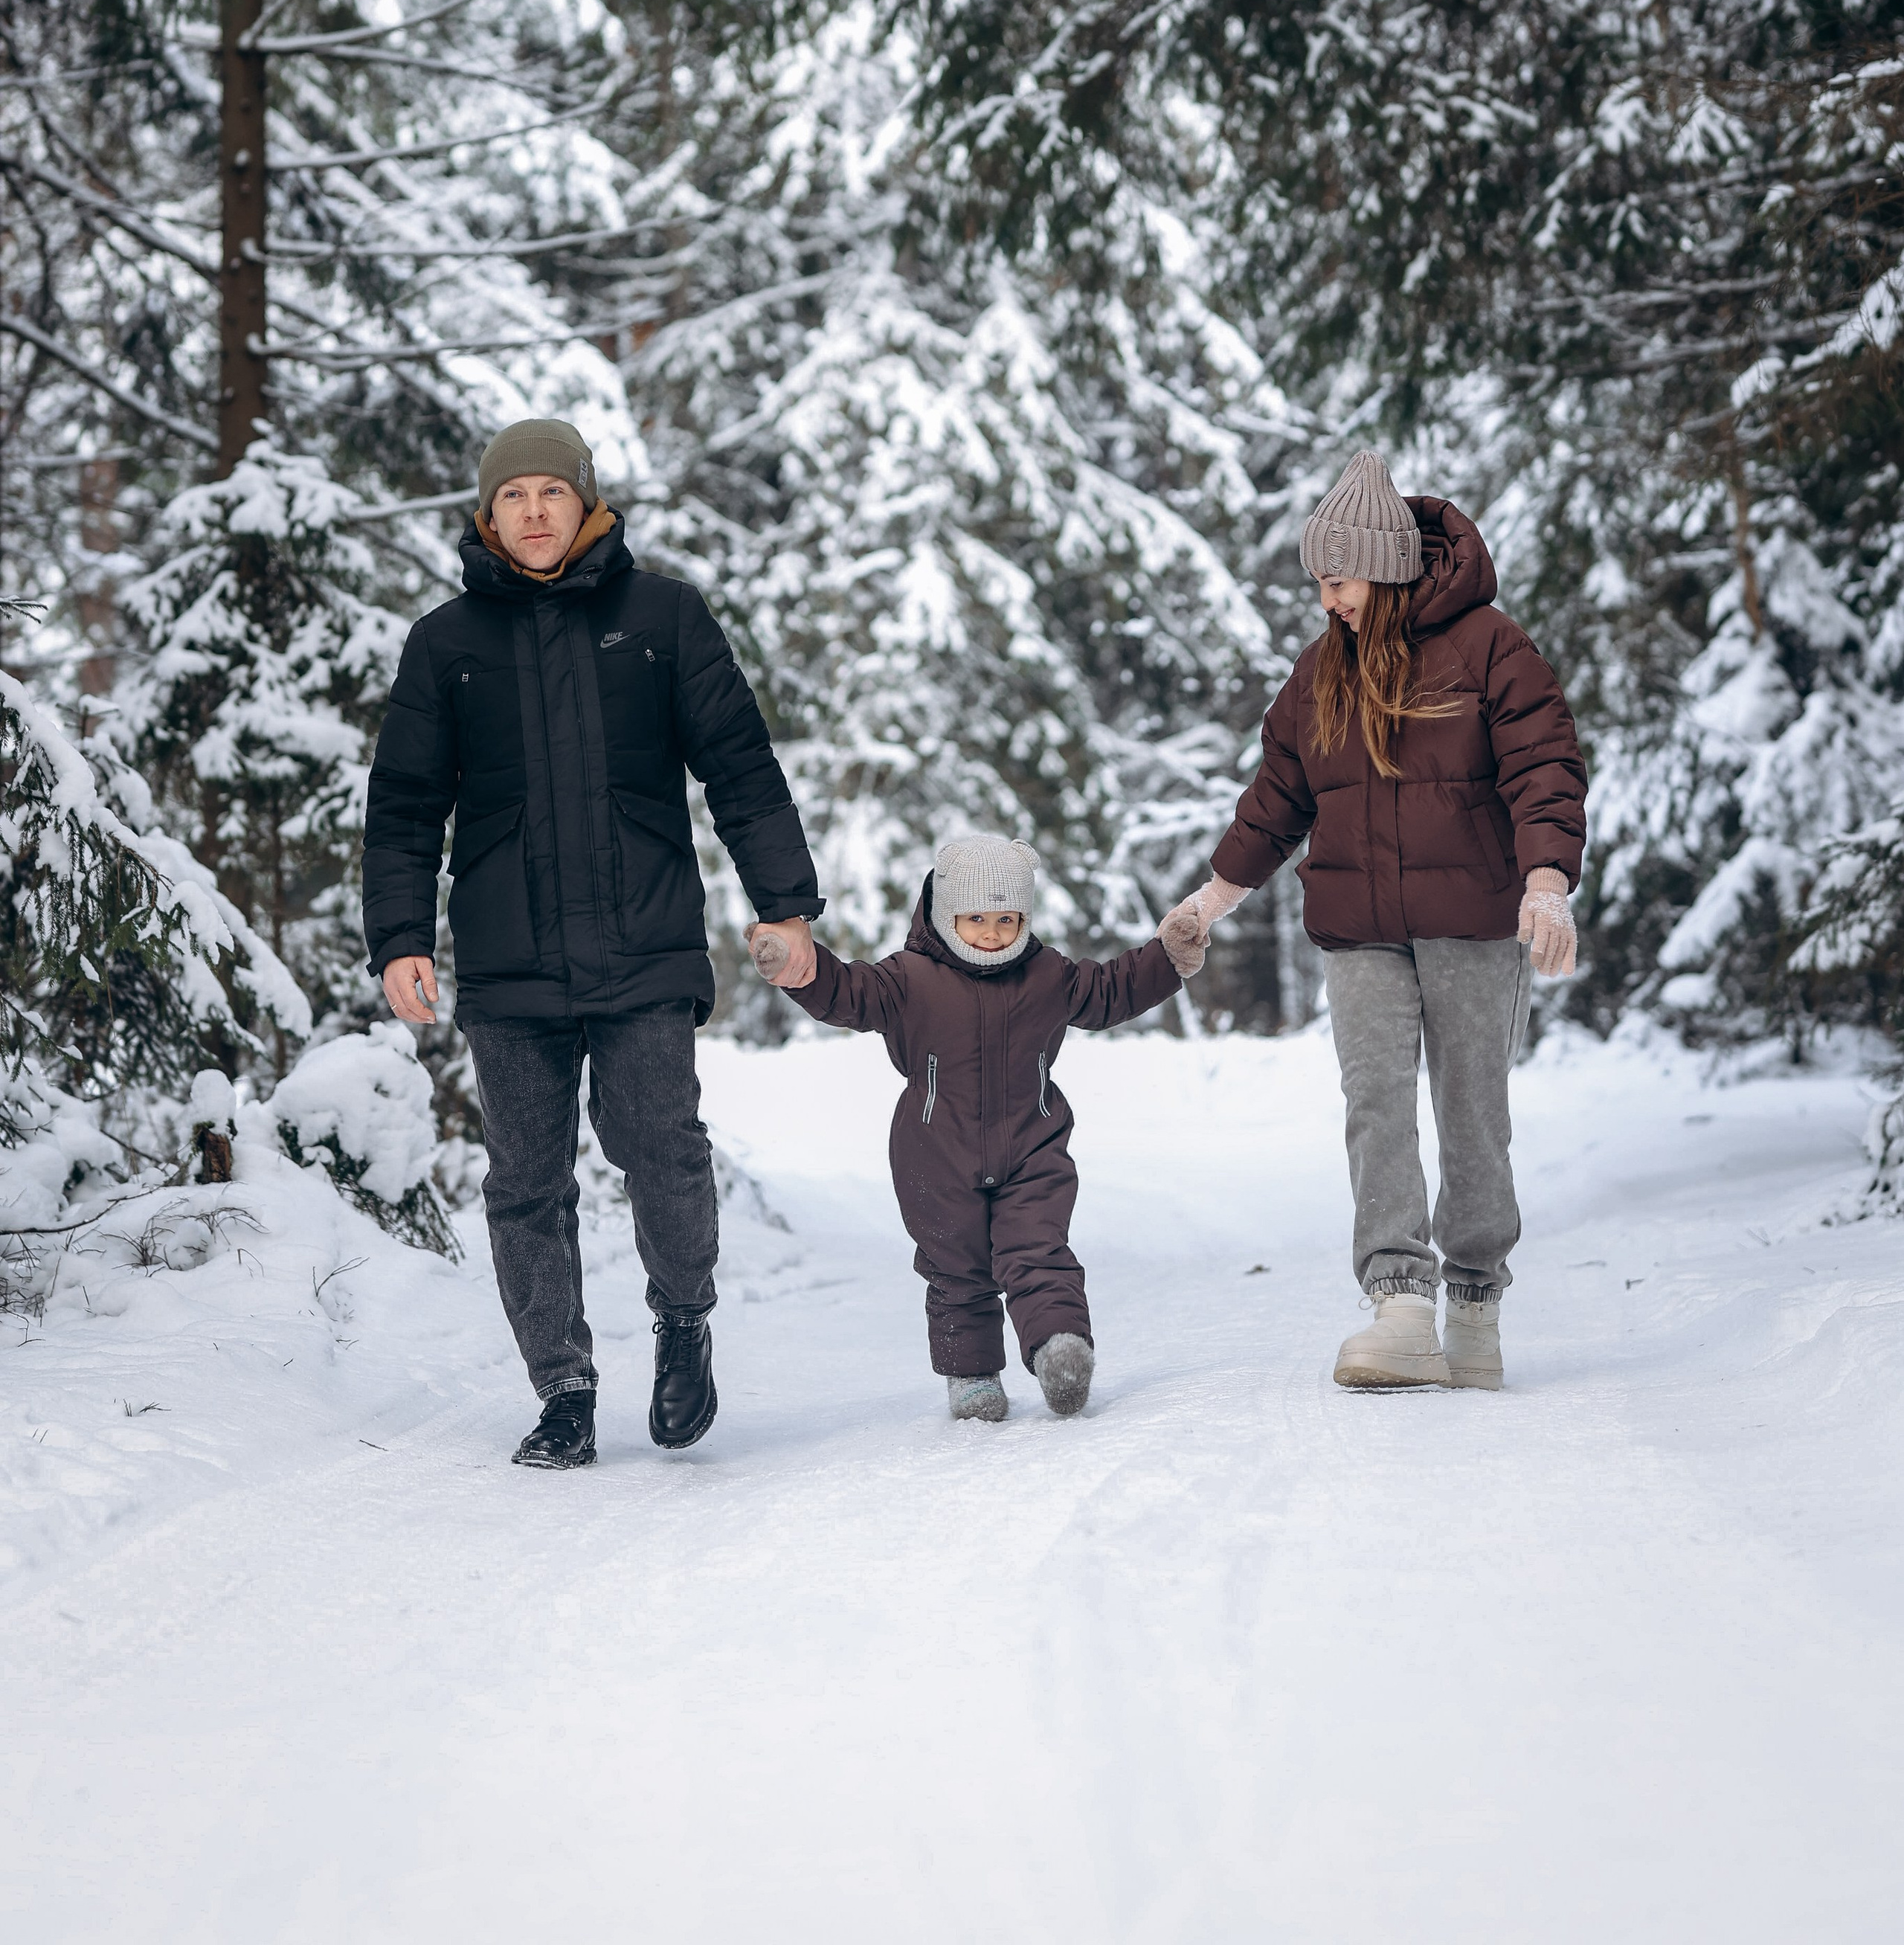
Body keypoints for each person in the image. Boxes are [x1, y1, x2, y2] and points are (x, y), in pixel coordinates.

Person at [362, 418, 820, 1468]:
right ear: (489, 514)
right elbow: (404, 807)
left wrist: (784, 903)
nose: (533, 513)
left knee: (661, 1145)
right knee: (526, 1181)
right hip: (506, 956)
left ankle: (683, 1320)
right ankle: (563, 1389)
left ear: (587, 505)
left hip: (645, 939)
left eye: (551, 494)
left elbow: (740, 767)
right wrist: (399, 937)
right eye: (512, 497)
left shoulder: (662, 615)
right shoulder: (446, 643)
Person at [1160, 451, 1586, 1392]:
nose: (1328, 601)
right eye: (1317, 582)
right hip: (1359, 925)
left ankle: (1474, 1306)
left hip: (1473, 919)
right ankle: (1400, 1303)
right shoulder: (1322, 671)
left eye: (1338, 579)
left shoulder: (1488, 647)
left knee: (1472, 1111)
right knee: (1376, 1104)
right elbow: (1276, 800)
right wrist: (1209, 902)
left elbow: (1544, 768)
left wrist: (1545, 882)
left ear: (1386, 568)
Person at [750, 832, 1190, 1421]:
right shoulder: (908, 978)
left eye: (1007, 919)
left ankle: (1060, 1348)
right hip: (935, 1154)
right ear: (945, 912)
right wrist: (799, 969)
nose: (992, 933)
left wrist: (1166, 959)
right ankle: (972, 1374)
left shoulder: (1047, 975)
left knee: (1039, 1247)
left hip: (1033, 1145)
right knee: (955, 1267)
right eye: (976, 917)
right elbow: (847, 991)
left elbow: (1108, 991)